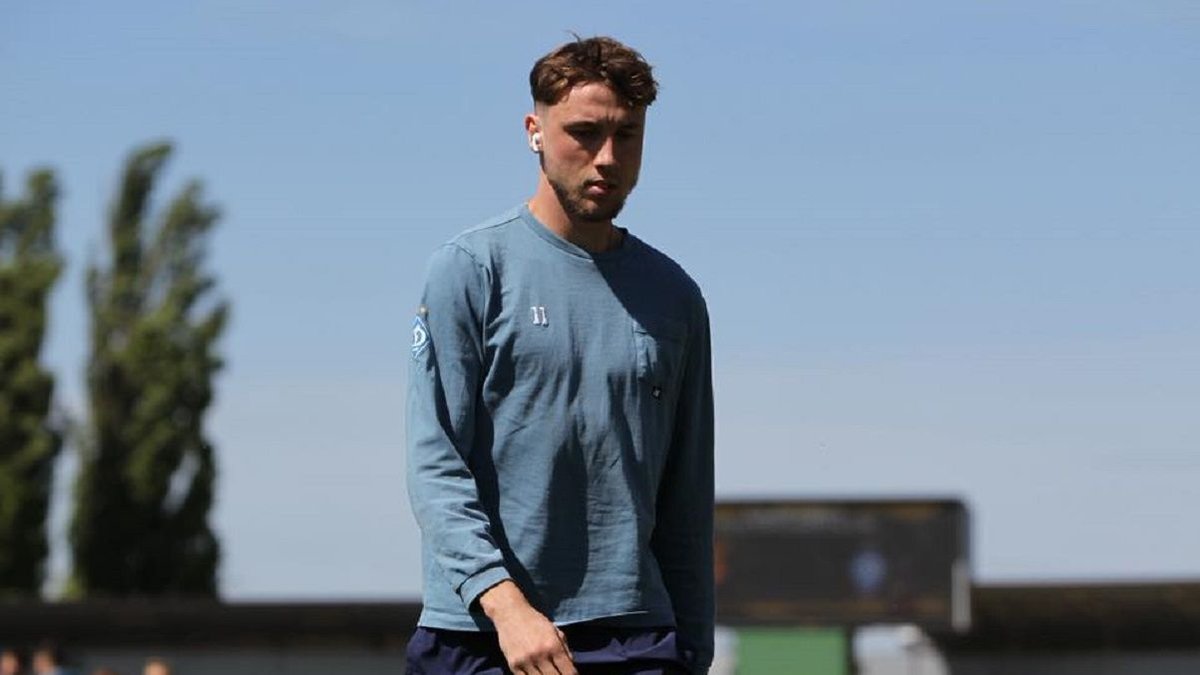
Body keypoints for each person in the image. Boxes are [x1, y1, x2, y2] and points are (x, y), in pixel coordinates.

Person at [406, 35, 714, 674]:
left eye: (626, 135)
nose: (607, 158)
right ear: (535, 132)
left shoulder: (675, 298)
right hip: (483, 635)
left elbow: (686, 494)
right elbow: (436, 464)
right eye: (584, 133)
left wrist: (694, 649)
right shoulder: (470, 271)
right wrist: (507, 607)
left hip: (636, 638)